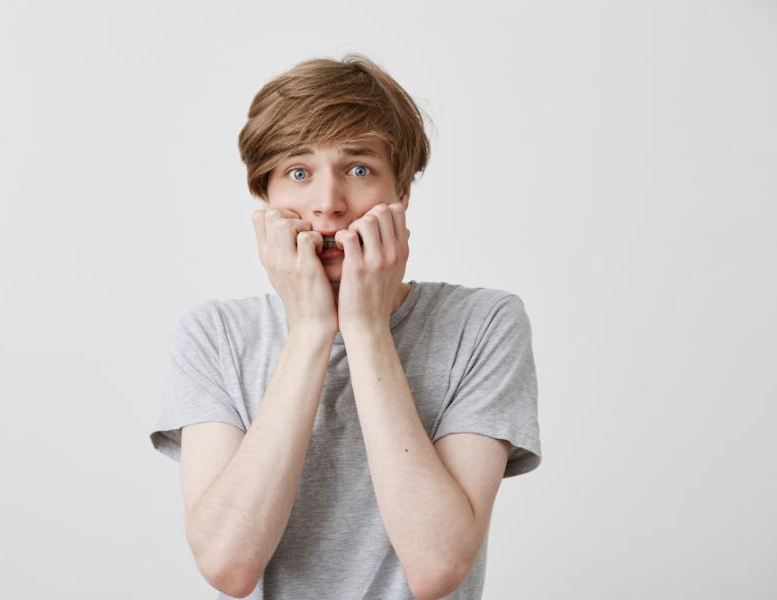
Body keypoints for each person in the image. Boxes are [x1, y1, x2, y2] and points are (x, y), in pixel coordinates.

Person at [149, 53, 542, 600]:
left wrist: (366, 329)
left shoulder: (483, 324)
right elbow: (229, 565)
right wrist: (311, 330)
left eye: (359, 169)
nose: (328, 205)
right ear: (266, 198)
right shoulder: (214, 335)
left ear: (401, 195)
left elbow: (436, 567)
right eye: (298, 172)